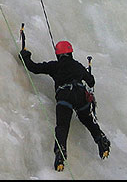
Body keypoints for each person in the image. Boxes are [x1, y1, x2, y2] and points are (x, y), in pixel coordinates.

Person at [19, 41, 111, 171]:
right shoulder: (77, 66)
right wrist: (87, 76)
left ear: (58, 54)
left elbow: (33, 67)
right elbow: (91, 81)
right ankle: (101, 140)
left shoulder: (54, 66)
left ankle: (60, 154)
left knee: (62, 126)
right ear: (70, 53)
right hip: (80, 95)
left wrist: (25, 56)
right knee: (88, 120)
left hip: (65, 96)